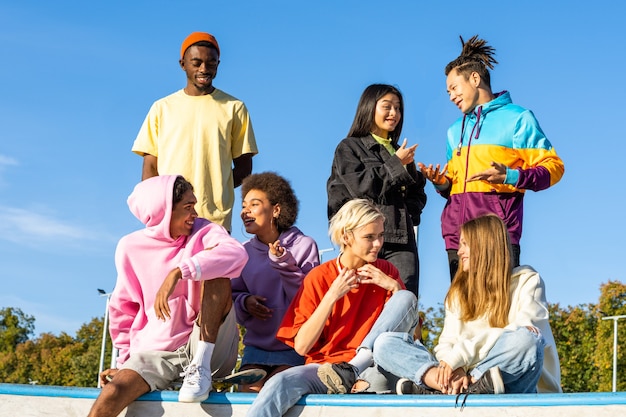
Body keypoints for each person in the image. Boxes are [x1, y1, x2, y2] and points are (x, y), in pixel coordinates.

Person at [86, 175, 248, 417]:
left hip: (208, 344)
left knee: (217, 270)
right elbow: (123, 309)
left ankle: (199, 369)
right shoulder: (130, 247)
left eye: (194, 205)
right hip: (157, 352)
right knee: (112, 393)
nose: (194, 213)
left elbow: (236, 254)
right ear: (164, 211)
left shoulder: (205, 231)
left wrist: (179, 272)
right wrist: (122, 364)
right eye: (187, 207)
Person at [245, 198, 420, 417]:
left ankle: (356, 368)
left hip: (372, 368)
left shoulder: (387, 273)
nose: (378, 244)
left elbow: (412, 336)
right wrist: (332, 296)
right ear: (346, 237)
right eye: (369, 237)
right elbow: (301, 347)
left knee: (405, 297)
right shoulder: (319, 277)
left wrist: (393, 287)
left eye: (380, 236)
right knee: (280, 381)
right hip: (325, 370)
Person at [373, 214, 562, 405]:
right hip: (463, 373)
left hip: (512, 383)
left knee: (526, 340)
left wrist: (461, 360)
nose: (459, 251)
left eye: (464, 244)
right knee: (384, 343)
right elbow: (447, 343)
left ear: (484, 247)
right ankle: (447, 385)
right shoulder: (458, 292)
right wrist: (455, 368)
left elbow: (527, 332)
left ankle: (460, 386)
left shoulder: (527, 281)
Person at [418, 35, 564, 280]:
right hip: (457, 238)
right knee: (462, 314)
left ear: (475, 79)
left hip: (497, 235)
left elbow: (554, 168)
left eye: (454, 87)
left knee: (497, 315)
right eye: (448, 91)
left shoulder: (518, 119)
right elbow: (453, 187)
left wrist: (510, 175)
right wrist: (440, 182)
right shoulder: (454, 131)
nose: (451, 96)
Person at [132, 31, 258, 232]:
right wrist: (161, 206)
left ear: (218, 64)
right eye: (196, 62)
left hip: (215, 222)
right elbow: (150, 167)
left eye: (211, 63)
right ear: (183, 64)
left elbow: (244, 169)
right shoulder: (161, 108)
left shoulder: (235, 108)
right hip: (170, 219)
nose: (204, 69)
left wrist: (216, 189)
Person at [327, 83, 427, 297]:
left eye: (398, 108)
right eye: (387, 106)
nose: (394, 113)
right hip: (362, 238)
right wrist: (396, 164)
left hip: (402, 242)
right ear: (369, 107)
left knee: (403, 300)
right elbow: (360, 188)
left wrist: (409, 213)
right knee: (362, 306)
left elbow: (416, 195)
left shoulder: (400, 152)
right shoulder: (349, 147)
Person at [231, 172, 320, 392]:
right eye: (244, 206)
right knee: (248, 396)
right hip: (256, 347)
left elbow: (308, 301)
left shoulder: (304, 246)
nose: (245, 212)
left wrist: (283, 262)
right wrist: (246, 301)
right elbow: (233, 297)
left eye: (254, 204)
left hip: (293, 346)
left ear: (276, 210)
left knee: (276, 391)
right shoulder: (243, 252)